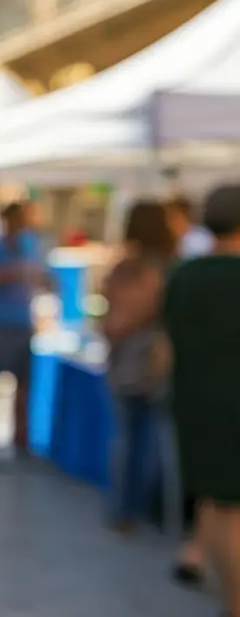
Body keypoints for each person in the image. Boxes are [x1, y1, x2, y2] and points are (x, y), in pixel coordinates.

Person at [165, 184, 240, 617]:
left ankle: (209, 571)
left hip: (194, 402)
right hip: (230, 404)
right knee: (228, 506)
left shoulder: (184, 274)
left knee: (213, 498)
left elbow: (169, 339)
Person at [100, 201, 175, 533]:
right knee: (143, 439)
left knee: (132, 438)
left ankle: (128, 508)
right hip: (144, 362)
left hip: (130, 360)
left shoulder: (130, 268)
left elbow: (112, 315)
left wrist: (116, 330)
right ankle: (139, 508)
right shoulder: (160, 268)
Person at [0, 202, 46, 467]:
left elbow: (42, 275)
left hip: (22, 322)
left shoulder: (30, 246)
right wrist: (7, 274)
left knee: (24, 385)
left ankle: (20, 439)